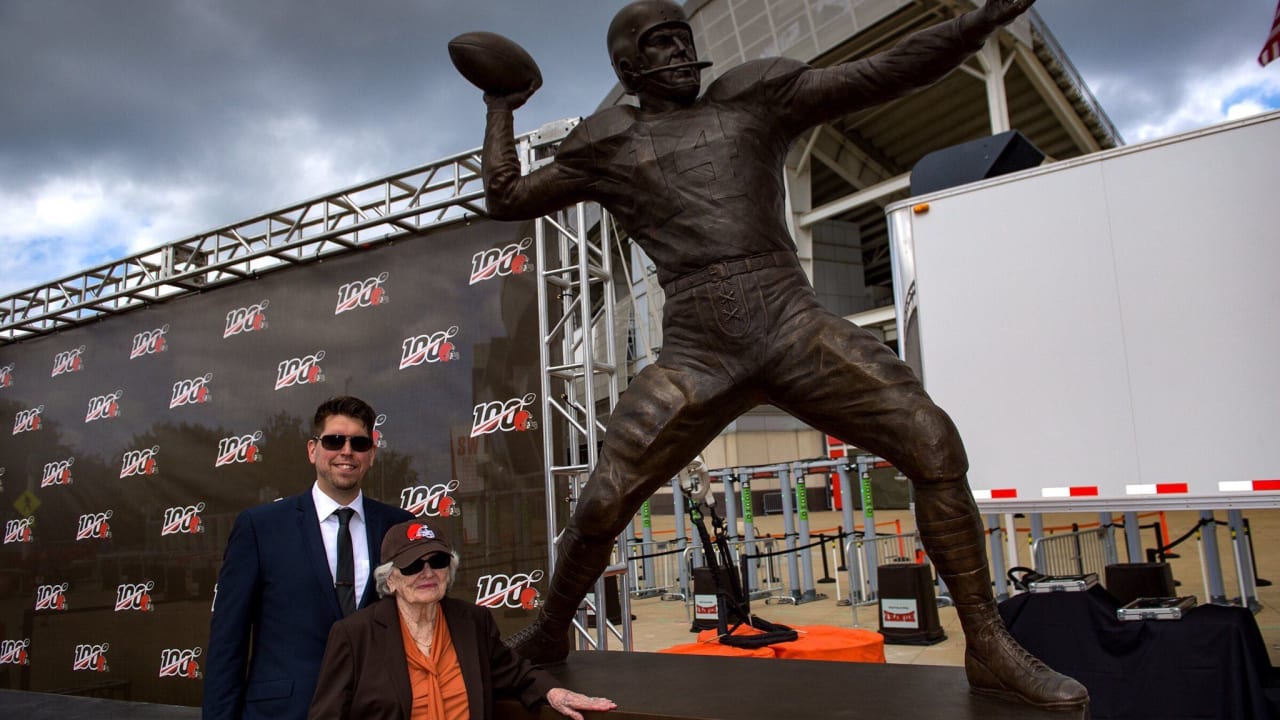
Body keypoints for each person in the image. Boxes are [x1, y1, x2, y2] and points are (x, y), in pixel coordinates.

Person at [475, 0, 1088, 711]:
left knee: (931, 438)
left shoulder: (753, 97)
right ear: (628, 67)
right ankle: (552, 631)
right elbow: (507, 195)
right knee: (605, 496)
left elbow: (879, 73)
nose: (679, 52)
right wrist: (501, 106)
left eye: (683, 38)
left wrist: (972, 25)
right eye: (660, 43)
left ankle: (987, 642)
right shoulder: (607, 142)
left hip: (788, 316)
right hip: (699, 342)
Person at [204, 396, 415, 719]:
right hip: (286, 710)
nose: (347, 451)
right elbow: (227, 642)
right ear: (312, 450)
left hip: (376, 710)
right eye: (334, 440)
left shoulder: (398, 526)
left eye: (359, 443)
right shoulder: (260, 528)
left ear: (371, 455)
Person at [309, 519, 617, 719]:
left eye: (438, 561)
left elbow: (515, 672)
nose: (427, 573)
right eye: (413, 565)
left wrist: (554, 692)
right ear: (390, 580)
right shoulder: (355, 635)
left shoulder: (472, 622)